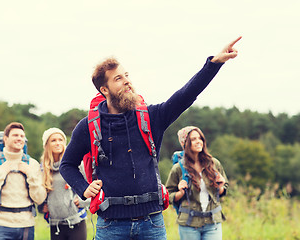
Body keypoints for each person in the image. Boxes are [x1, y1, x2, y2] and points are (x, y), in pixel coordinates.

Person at [59, 37, 241, 240]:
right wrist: (84, 189)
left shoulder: (151, 117)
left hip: (151, 223)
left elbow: (186, 95)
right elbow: (66, 164)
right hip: (110, 225)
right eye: (118, 78)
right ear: (104, 90)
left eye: (126, 75)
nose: (127, 80)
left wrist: (214, 63)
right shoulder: (89, 126)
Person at [0, 122, 47, 240]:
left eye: (22, 136)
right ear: (5, 139)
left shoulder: (32, 164)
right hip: (1, 225)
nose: (19, 138)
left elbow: (40, 198)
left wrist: (30, 174)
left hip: (27, 225)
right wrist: (0, 174)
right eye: (15, 135)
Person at [165, 126, 229, 240]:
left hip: (213, 222)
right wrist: (180, 192)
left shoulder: (214, 164)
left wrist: (220, 187)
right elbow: (167, 196)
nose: (198, 141)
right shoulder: (178, 168)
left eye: (200, 138)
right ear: (185, 143)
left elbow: (223, 190)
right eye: (193, 139)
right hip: (189, 224)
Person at [38, 127, 90, 240]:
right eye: (53, 140)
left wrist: (83, 200)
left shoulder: (74, 164)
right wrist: (41, 206)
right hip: (55, 224)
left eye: (60, 140)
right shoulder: (42, 169)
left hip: (76, 221)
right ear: (46, 145)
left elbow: (89, 184)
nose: (58, 143)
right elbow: (38, 192)